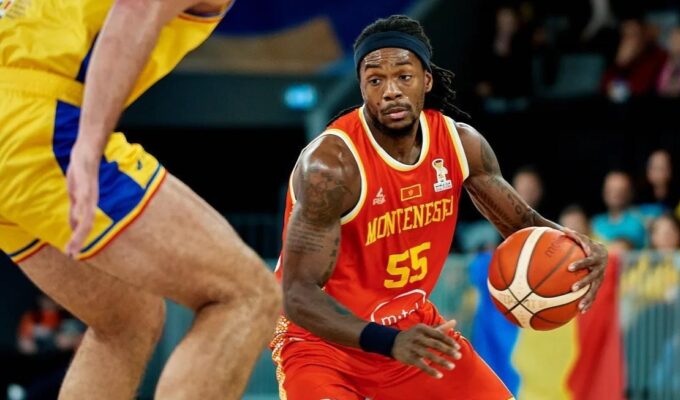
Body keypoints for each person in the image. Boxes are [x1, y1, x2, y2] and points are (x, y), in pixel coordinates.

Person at [272, 15, 608, 399]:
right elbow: (296, 294)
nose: (390, 91)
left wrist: (578, 248)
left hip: (412, 332)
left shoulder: (459, 144)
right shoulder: (332, 165)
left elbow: (524, 225)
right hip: (322, 344)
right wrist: (387, 341)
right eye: (375, 80)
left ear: (426, 80)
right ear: (362, 87)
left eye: (404, 76)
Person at [0, 1, 281, 398]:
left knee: (126, 319)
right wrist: (88, 147)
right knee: (246, 294)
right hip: (39, 122)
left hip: (18, 120)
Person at [592, 171, 648, 248]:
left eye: (621, 190)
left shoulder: (639, 219)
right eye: (611, 190)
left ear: (630, 193)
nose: (615, 194)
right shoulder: (596, 222)